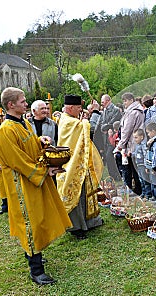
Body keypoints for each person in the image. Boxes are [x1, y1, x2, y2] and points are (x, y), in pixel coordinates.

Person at [0, 87, 72, 285]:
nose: (26, 104)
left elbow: (28, 146)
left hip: (33, 180)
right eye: (22, 101)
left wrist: (40, 141)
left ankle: (33, 254)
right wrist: (43, 171)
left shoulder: (24, 123)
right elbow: (17, 160)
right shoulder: (5, 130)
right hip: (21, 184)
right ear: (11, 105)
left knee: (39, 218)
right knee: (30, 222)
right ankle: (36, 269)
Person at [56, 94, 103, 240]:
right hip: (72, 165)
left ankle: (90, 221)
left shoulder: (67, 119)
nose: (80, 110)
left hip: (78, 162)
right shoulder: (70, 122)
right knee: (76, 194)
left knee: (84, 193)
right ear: (70, 108)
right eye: (78, 107)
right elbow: (92, 128)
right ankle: (76, 228)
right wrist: (95, 112)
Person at [113, 92, 144, 195]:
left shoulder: (132, 112)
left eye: (125, 100)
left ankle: (134, 189)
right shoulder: (135, 111)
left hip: (131, 143)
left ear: (131, 100)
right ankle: (134, 188)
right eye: (123, 101)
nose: (124, 103)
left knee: (131, 168)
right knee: (131, 168)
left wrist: (120, 146)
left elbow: (127, 130)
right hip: (133, 141)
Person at [132, 129, 152, 201]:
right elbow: (135, 153)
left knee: (145, 179)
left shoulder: (143, 145)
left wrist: (146, 166)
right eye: (134, 137)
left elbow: (145, 155)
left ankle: (148, 194)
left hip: (143, 165)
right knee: (141, 180)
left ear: (142, 137)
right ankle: (143, 192)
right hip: (139, 165)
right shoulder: (137, 145)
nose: (135, 139)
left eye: (136, 137)